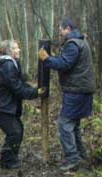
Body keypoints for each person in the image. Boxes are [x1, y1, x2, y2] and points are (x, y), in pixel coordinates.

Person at [38, 17, 96, 171]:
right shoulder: (81, 41)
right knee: (74, 125)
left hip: (76, 90)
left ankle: (73, 159)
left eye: (61, 30)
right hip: (83, 89)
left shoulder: (73, 44)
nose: (60, 33)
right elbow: (67, 61)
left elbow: (64, 64)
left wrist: (47, 59)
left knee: (64, 124)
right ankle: (81, 156)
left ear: (68, 29)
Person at [0, 40, 43, 169]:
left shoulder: (13, 63)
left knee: (18, 129)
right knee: (14, 131)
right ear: (9, 51)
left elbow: (20, 83)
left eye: (18, 48)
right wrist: (35, 93)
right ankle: (7, 161)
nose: (19, 50)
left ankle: (11, 157)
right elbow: (18, 89)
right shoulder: (8, 66)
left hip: (1, 102)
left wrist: (34, 90)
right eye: (15, 48)